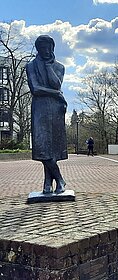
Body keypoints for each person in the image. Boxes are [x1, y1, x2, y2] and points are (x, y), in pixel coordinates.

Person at [26, 35, 68, 194]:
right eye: (42, 48)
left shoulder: (59, 67)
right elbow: (35, 89)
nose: (45, 50)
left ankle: (47, 183)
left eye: (48, 47)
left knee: (54, 147)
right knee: (42, 147)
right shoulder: (30, 66)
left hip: (56, 109)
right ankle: (60, 179)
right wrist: (56, 94)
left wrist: (49, 67)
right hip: (40, 109)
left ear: (52, 48)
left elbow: (56, 83)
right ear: (38, 49)